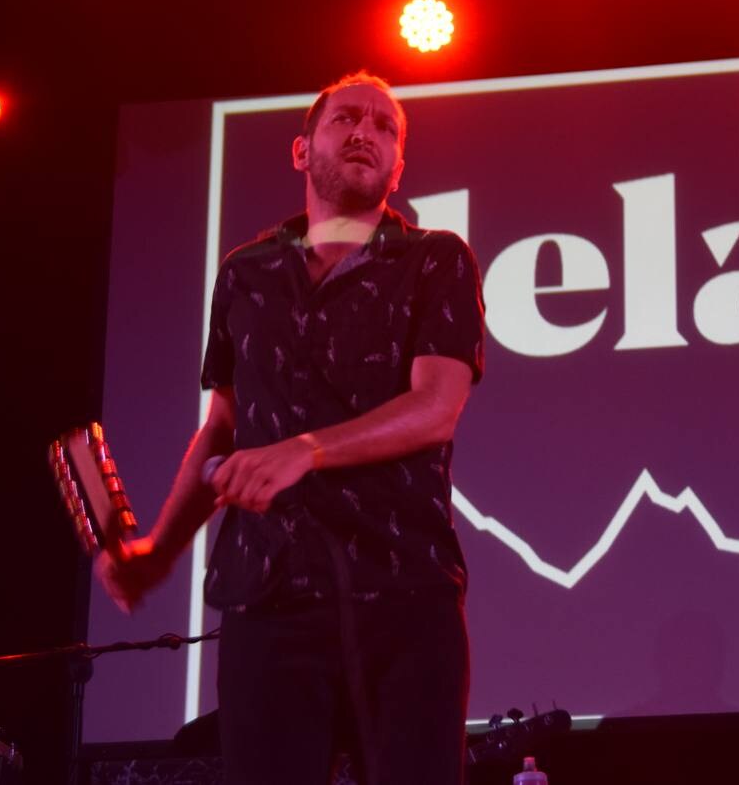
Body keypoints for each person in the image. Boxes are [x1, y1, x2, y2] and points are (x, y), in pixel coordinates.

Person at [97, 71, 485, 785]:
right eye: (347, 120)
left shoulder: (436, 260)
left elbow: (437, 407)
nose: (366, 132)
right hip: (268, 600)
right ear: (302, 150)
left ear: (398, 166)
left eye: (384, 127)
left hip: (403, 596)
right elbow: (224, 426)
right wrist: (158, 550)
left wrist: (307, 451)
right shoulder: (245, 273)